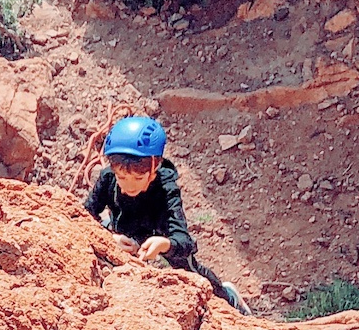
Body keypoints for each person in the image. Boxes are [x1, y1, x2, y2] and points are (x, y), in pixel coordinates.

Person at [84, 115, 248, 313]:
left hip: (160, 231)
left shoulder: (165, 188)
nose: (129, 185)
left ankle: (229, 298)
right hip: (123, 228)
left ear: (154, 170)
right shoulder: (108, 179)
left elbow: (184, 240)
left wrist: (164, 244)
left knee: (191, 274)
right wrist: (109, 239)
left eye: (138, 177)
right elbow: (84, 215)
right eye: (122, 177)